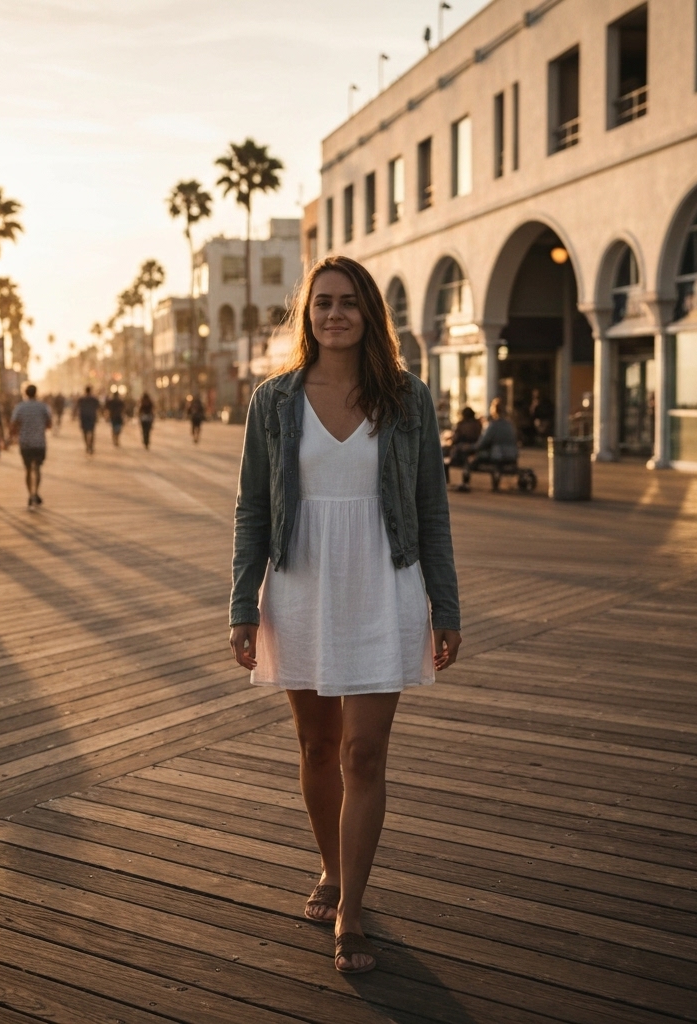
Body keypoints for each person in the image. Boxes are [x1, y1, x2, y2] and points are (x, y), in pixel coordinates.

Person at [229, 255, 461, 975]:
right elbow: (251, 511)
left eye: (350, 302)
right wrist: (242, 601)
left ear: (370, 314)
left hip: (381, 583)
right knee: (315, 746)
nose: (335, 314)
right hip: (301, 583)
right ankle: (330, 868)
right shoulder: (273, 401)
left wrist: (445, 602)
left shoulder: (408, 399)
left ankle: (352, 914)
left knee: (365, 753)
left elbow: (430, 509)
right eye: (323, 302)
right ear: (307, 314)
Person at [458, 397, 519, 492]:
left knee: (470, 460)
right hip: (512, 455)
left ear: (493, 410)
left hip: (497, 456)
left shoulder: (492, 425)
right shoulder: (510, 424)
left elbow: (481, 444)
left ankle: (465, 484)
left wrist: (468, 447)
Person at [10, 383, 53, 509]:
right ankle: (36, 492)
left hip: (25, 443)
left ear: (25, 393)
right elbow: (49, 424)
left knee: (28, 469)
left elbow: (13, 424)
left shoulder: (20, 407)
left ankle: (30, 494)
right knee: (38, 469)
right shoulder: (42, 407)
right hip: (39, 442)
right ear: (36, 393)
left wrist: (13, 436)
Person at [444, 405, 483, 478]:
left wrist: (450, 442)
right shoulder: (477, 424)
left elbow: (456, 438)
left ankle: (446, 477)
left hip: (460, 449)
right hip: (474, 448)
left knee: (444, 452)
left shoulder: (461, 424)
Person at [77, 386, 100, 455]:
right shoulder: (94, 399)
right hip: (92, 417)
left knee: (85, 432)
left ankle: (87, 445)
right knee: (92, 432)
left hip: (83, 417)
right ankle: (91, 446)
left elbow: (78, 407)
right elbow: (98, 408)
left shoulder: (81, 399)